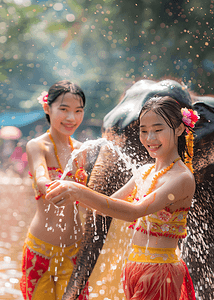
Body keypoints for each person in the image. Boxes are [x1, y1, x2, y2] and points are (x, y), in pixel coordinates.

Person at [46, 95, 198, 300]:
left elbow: (133, 212)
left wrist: (78, 191)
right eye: (144, 131)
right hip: (134, 267)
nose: (149, 138)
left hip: (161, 272)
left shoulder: (182, 178)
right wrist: (72, 189)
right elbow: (103, 209)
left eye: (158, 129)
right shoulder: (145, 171)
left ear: (179, 129)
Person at [20, 80, 89, 300]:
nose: (72, 118)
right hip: (40, 251)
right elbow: (41, 178)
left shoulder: (82, 150)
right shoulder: (37, 146)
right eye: (64, 109)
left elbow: (90, 199)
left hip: (75, 251)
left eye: (78, 111)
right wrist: (56, 186)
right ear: (47, 108)